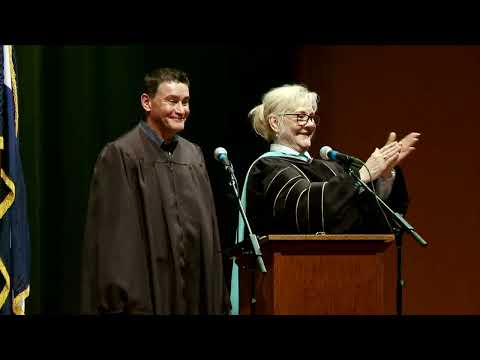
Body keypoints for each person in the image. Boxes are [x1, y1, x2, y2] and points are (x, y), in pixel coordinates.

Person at [230, 84, 420, 314]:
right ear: (274, 123)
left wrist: (385, 176)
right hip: (290, 291)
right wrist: (363, 174)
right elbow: (307, 208)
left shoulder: (329, 168)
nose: (309, 124)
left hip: (343, 287)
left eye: (311, 117)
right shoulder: (268, 168)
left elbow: (363, 216)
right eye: (300, 117)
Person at [82, 68, 229, 314]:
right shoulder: (121, 154)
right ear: (147, 102)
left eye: (185, 102)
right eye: (172, 101)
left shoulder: (193, 155)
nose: (181, 110)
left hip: (193, 296)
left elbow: (209, 231)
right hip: (146, 296)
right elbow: (114, 241)